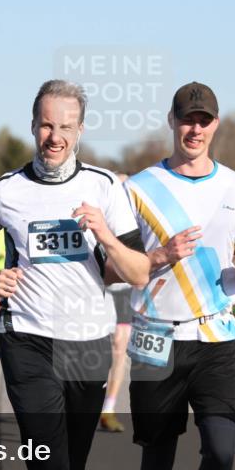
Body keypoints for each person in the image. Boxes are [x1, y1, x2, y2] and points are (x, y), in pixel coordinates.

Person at [0, 80, 149, 470]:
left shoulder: (106, 188)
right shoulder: (4, 192)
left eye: (65, 126)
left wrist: (103, 232)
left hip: (87, 344)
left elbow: (138, 271)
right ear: (33, 126)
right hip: (28, 339)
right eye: (46, 124)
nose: (54, 135)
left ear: (80, 130)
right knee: (48, 466)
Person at [123, 81, 235, 470]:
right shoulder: (138, 188)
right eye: (187, 119)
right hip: (155, 335)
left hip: (215, 335)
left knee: (222, 451)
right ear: (172, 121)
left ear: (216, 125)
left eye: (204, 120)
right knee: (157, 457)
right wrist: (161, 254)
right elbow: (119, 265)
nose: (195, 129)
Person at [101, 171, 134, 433]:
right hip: (98, 287)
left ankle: (109, 408)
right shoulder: (100, 208)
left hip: (125, 290)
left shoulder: (137, 214)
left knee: (120, 347)